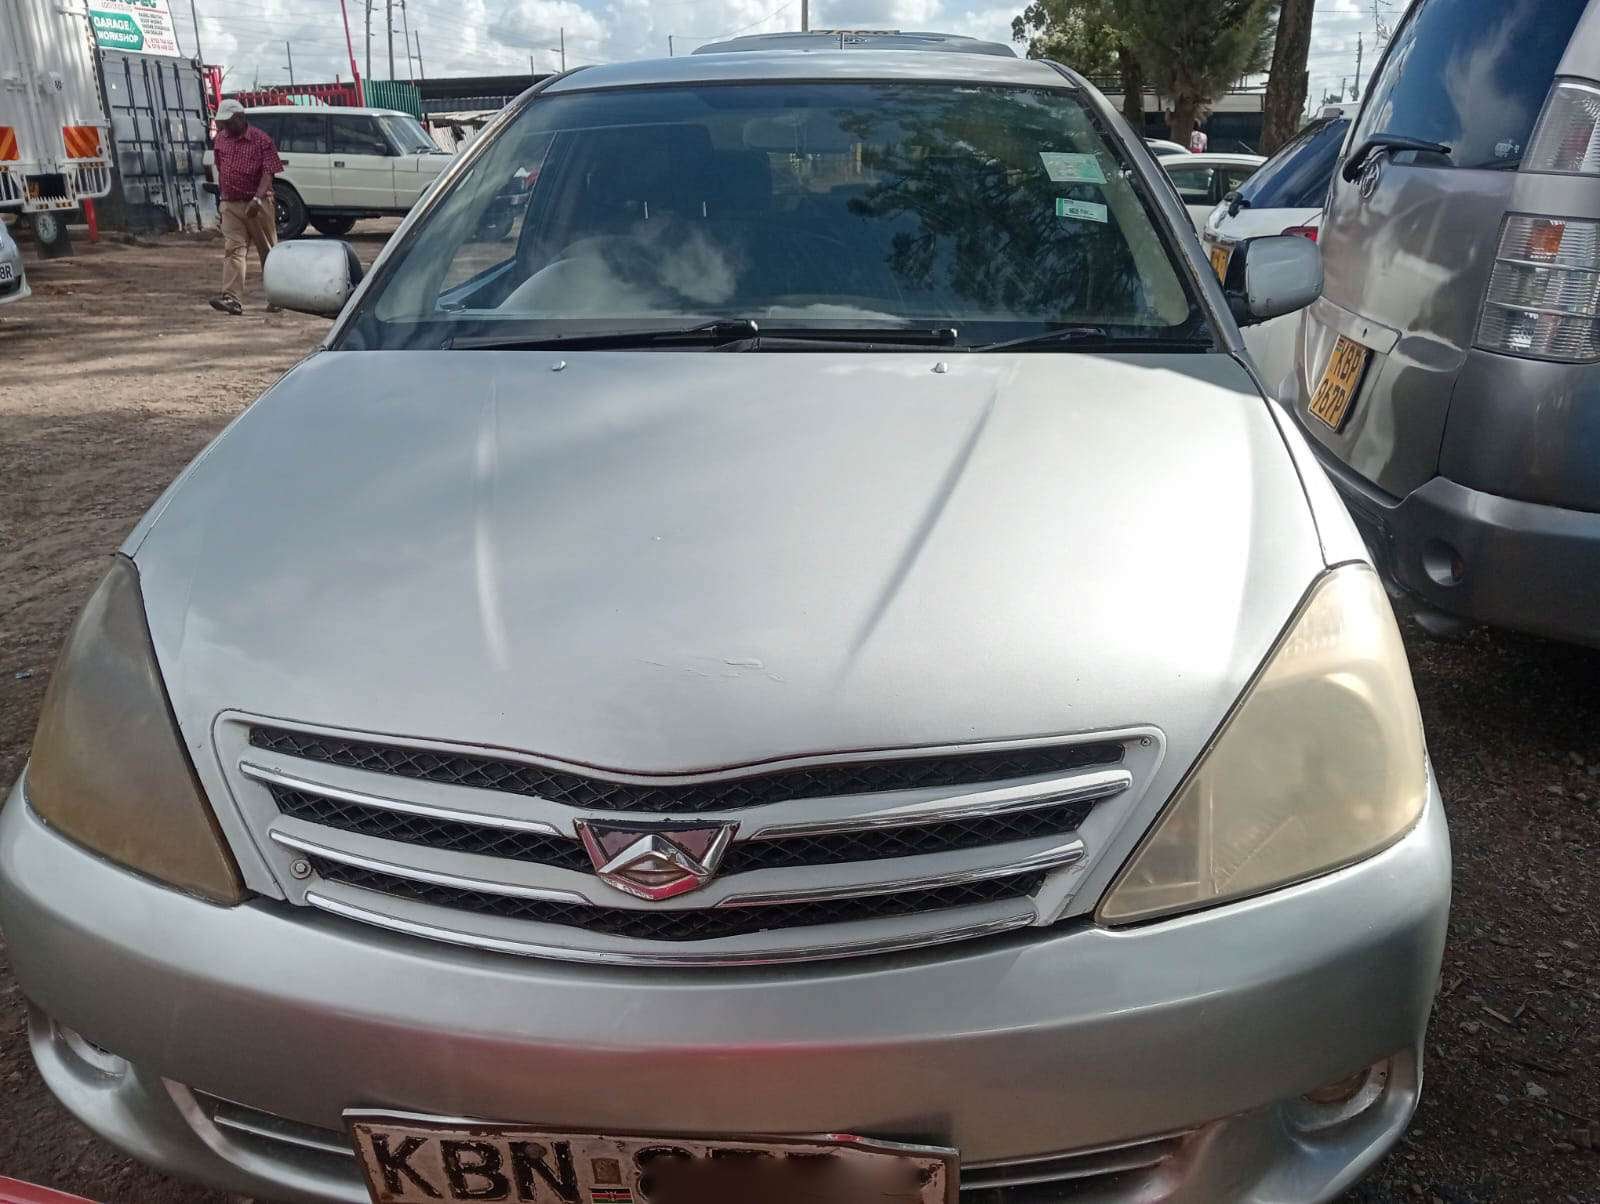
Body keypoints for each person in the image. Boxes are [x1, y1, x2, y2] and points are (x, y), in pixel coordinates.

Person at [209, 99, 282, 315]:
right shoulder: (220, 139)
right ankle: (232, 299)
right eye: (222, 123)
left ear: (240, 118)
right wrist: (224, 199)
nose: (224, 127)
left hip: (258, 204)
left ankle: (278, 297)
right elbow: (221, 167)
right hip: (230, 203)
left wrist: (257, 199)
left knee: (268, 252)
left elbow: (269, 172)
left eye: (228, 122)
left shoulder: (261, 140)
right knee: (233, 249)